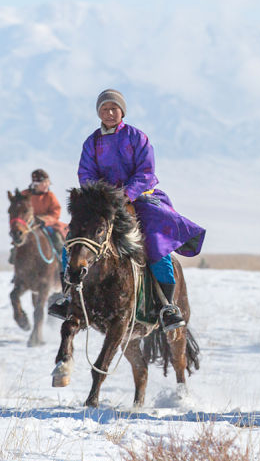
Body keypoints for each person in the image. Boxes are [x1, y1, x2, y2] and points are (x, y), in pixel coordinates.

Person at [48, 89, 206, 331]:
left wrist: (126, 194)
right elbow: (86, 173)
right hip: (104, 203)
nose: (109, 113)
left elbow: (146, 171)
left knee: (155, 242)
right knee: (73, 241)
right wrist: (103, 194)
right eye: (104, 109)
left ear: (122, 111)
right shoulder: (92, 142)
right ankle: (67, 296)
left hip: (139, 198)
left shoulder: (137, 137)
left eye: (114, 108)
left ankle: (167, 306)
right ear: (98, 113)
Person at [9, 169, 68, 265]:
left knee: (57, 238)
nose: (47, 185)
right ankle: (17, 266)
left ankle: (61, 263)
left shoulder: (50, 196)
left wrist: (44, 220)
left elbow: (56, 212)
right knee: (19, 240)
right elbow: (18, 211)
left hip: (47, 224)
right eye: (43, 183)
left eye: (47, 182)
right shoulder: (25, 194)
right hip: (28, 226)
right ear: (36, 184)